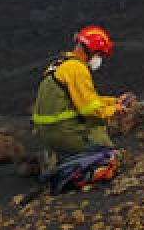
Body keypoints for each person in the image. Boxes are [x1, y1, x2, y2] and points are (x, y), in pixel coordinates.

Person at [31, 25, 137, 155]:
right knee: (97, 127)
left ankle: (57, 155)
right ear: (91, 50)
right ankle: (98, 158)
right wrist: (115, 110)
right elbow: (90, 109)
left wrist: (114, 101)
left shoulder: (60, 64)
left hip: (47, 131)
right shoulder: (78, 69)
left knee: (95, 115)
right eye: (100, 54)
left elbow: (85, 99)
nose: (99, 58)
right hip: (60, 132)